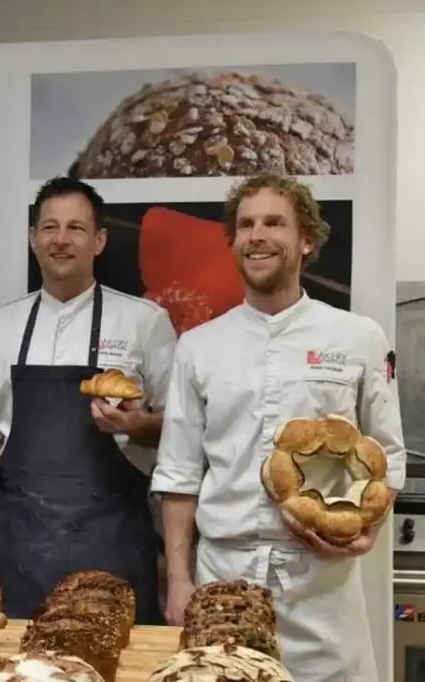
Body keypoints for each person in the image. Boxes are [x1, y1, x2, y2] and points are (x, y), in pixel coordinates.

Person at [151, 173, 405, 681]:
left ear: (306, 239)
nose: (256, 235)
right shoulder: (199, 346)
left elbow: (388, 454)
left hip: (322, 584)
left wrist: (368, 531)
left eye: (273, 223)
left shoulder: (358, 338)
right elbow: (178, 475)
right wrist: (178, 580)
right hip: (223, 577)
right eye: (245, 225)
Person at [0, 176, 178, 621]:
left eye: (76, 228)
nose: (61, 239)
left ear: (99, 240)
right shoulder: (2, 325)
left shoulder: (144, 322)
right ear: (33, 238)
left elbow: (179, 427)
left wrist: (138, 426)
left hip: (115, 547)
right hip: (24, 551)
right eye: (49, 228)